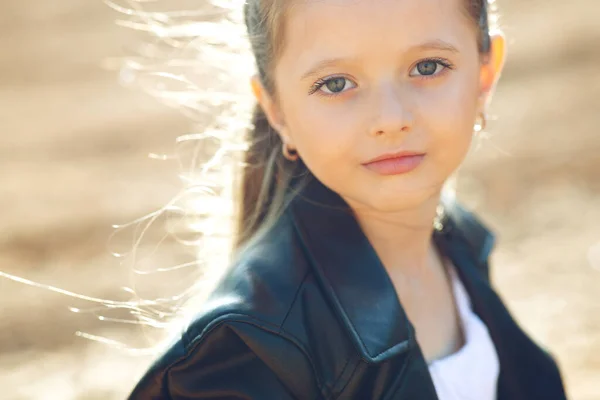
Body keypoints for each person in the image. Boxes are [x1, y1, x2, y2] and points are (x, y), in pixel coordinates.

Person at [128, 0, 568, 398]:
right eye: (336, 83)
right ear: (277, 110)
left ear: (484, 78)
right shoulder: (238, 357)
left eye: (428, 67)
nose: (391, 119)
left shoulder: (461, 245)